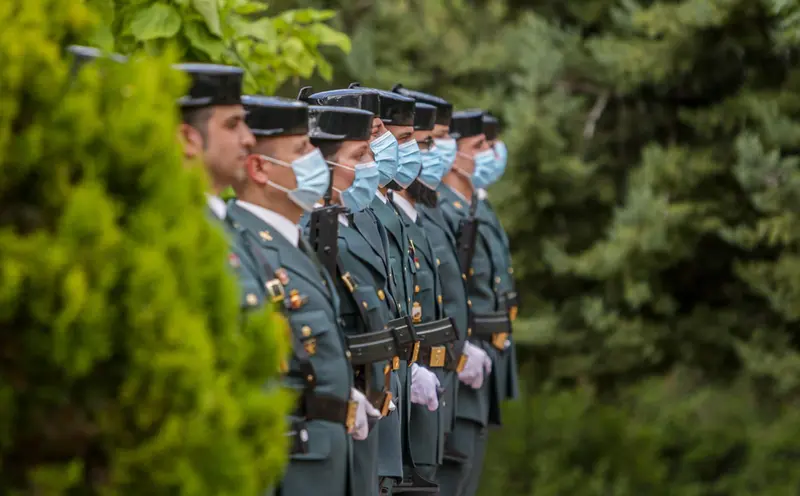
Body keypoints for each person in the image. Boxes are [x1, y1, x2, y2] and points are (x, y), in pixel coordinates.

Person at [223, 95, 372, 496]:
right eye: (302, 149)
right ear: (259, 169)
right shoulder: (242, 245)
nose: (315, 160)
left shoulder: (293, 242)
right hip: (292, 465)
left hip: (323, 461)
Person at [392, 87, 493, 496]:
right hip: (413, 388)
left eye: (434, 142)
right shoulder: (396, 218)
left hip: (440, 381)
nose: (432, 153)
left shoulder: (421, 215)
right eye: (421, 142)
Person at [299, 103, 399, 496]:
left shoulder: (347, 222)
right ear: (323, 169)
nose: (372, 165)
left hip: (367, 413)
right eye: (360, 155)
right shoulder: (313, 232)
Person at [438, 110, 514, 496]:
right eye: (478, 146)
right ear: (452, 154)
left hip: (485, 356)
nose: (489, 153)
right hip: (461, 358)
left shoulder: (475, 206)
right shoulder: (444, 212)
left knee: (469, 472)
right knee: (454, 472)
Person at [476, 114, 520, 411]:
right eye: (483, 144)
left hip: (489, 347)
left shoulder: (481, 203)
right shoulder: (451, 208)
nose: (494, 153)